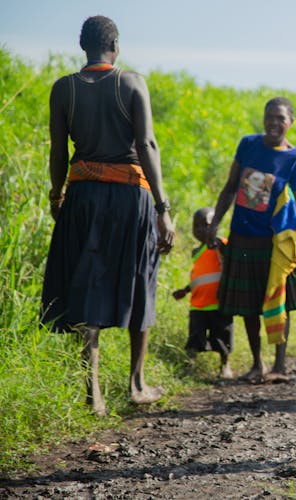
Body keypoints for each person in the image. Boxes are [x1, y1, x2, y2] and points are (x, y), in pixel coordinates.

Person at [41, 16, 175, 416]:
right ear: (115, 44)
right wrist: (164, 208)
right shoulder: (131, 83)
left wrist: (56, 194)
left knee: (88, 285)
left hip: (82, 195)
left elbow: (57, 152)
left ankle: (93, 392)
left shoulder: (63, 88)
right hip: (131, 198)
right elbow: (147, 143)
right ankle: (136, 385)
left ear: (83, 46)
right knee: (140, 279)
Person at [207, 97, 296, 384]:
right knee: (248, 305)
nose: (274, 123)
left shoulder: (295, 158)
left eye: (281, 118)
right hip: (242, 237)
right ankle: (257, 363)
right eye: (270, 117)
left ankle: (279, 365)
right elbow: (230, 188)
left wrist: (284, 218)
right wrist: (215, 223)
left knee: (280, 301)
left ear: (290, 122)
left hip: (274, 242)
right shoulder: (249, 144)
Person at [172, 208, 233, 379]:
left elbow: (228, 267)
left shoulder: (221, 245)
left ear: (216, 227)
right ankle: (189, 365)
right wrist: (185, 290)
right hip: (198, 304)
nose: (201, 230)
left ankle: (225, 365)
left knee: (222, 336)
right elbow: (198, 277)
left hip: (219, 303)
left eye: (206, 225)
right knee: (195, 337)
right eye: (196, 226)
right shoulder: (195, 252)